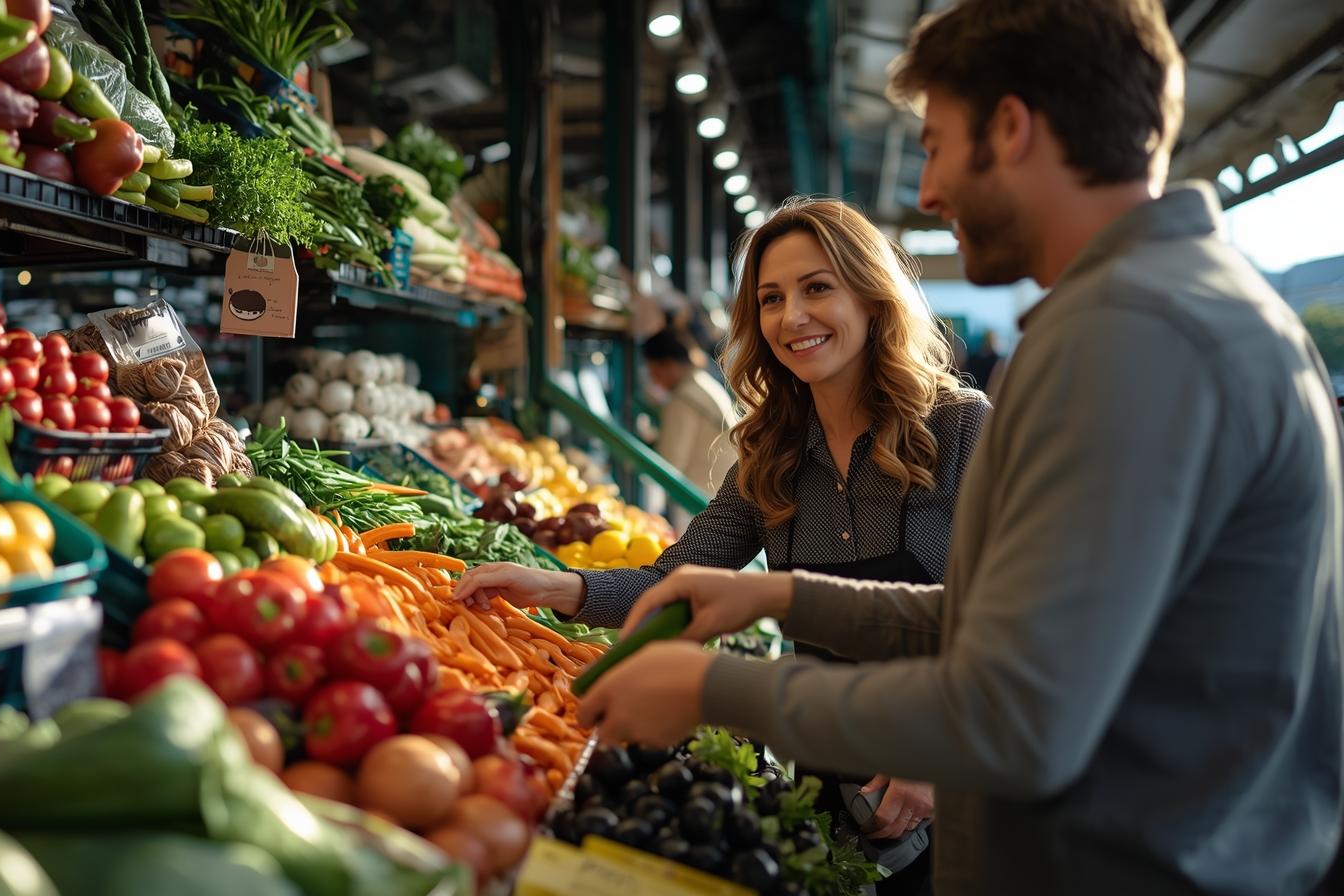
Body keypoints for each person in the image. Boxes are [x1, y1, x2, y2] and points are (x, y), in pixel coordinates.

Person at [574, 2, 1343, 894]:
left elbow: (1014, 714)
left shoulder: (1131, 339)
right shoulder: (1185, 308)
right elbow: (1002, 621)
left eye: (936, 144)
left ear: (1011, 128)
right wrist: (775, 594)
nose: (928, 191)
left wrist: (714, 692)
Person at [456, 197, 992, 893]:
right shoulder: (771, 452)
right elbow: (679, 581)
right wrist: (561, 588)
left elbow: (1008, 620)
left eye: (817, 288)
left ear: (871, 296)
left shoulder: (958, 429)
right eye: (771, 298)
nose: (792, 317)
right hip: (829, 779)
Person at [640, 326, 737, 529]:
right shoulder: (704, 384)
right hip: (722, 498)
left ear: (667, 365)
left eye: (654, 371)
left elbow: (669, 463)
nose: (655, 380)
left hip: (698, 504)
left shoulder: (684, 398)